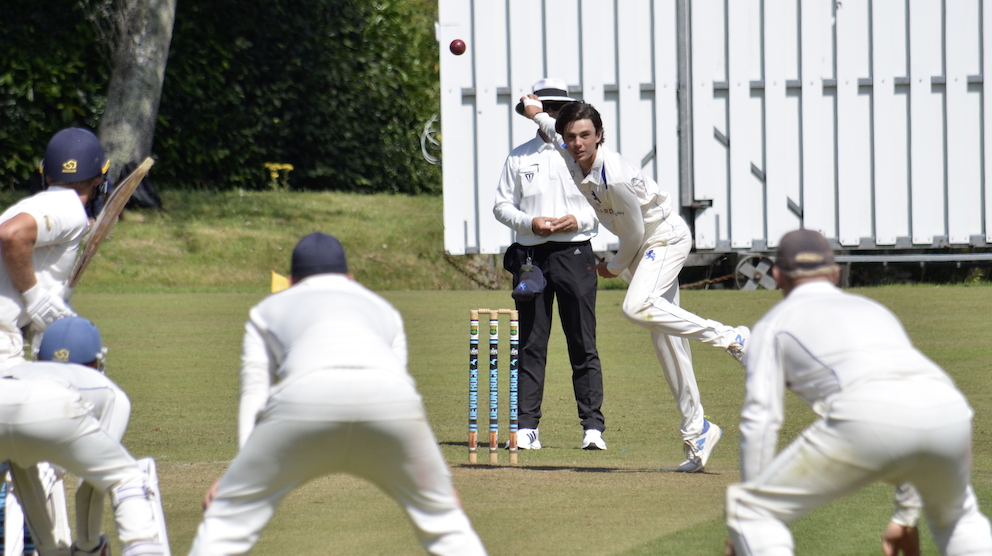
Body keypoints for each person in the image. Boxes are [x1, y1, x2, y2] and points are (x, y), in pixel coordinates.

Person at [188, 232, 487, 556]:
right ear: (349, 277)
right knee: (446, 524)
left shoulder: (267, 309)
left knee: (225, 524)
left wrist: (238, 476)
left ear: (291, 280)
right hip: (390, 403)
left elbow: (255, 389)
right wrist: (437, 485)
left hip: (302, 400)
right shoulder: (383, 309)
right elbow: (398, 387)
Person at [724, 229, 992, 556]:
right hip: (949, 409)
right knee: (960, 519)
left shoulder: (772, 325)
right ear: (835, 274)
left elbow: (760, 420)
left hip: (867, 414)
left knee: (754, 512)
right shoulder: (874, 310)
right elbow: (911, 411)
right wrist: (906, 515)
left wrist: (753, 512)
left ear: (777, 275)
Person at [520, 97, 749, 472]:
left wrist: (612, 265)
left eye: (586, 135)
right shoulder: (567, 150)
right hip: (642, 246)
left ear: (599, 136)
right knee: (667, 341)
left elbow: (634, 233)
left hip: (662, 238)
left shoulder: (616, 175)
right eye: (572, 136)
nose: (578, 142)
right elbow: (549, 127)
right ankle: (698, 431)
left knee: (635, 307)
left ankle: (731, 338)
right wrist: (535, 112)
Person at [0, 128, 110, 556]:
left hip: (9, 339)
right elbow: (12, 235)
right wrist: (34, 298)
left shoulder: (37, 201)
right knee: (38, 452)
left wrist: (31, 311)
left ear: (44, 172)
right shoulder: (66, 207)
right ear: (99, 178)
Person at [493, 78, 607, 451]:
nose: (555, 116)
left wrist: (579, 222)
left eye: (559, 108)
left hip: (576, 253)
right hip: (532, 257)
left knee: (582, 341)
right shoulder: (520, 156)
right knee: (531, 342)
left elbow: (601, 205)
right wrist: (530, 223)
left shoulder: (578, 154)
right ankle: (527, 427)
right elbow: (502, 205)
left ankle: (592, 427)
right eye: (548, 108)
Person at [0, 317, 168, 556]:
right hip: (57, 406)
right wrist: (88, 545)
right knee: (127, 477)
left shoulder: (19, 370)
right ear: (96, 359)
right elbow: (91, 483)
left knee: (20, 466)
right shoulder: (109, 391)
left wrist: (49, 547)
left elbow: (25, 478)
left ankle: (49, 550)